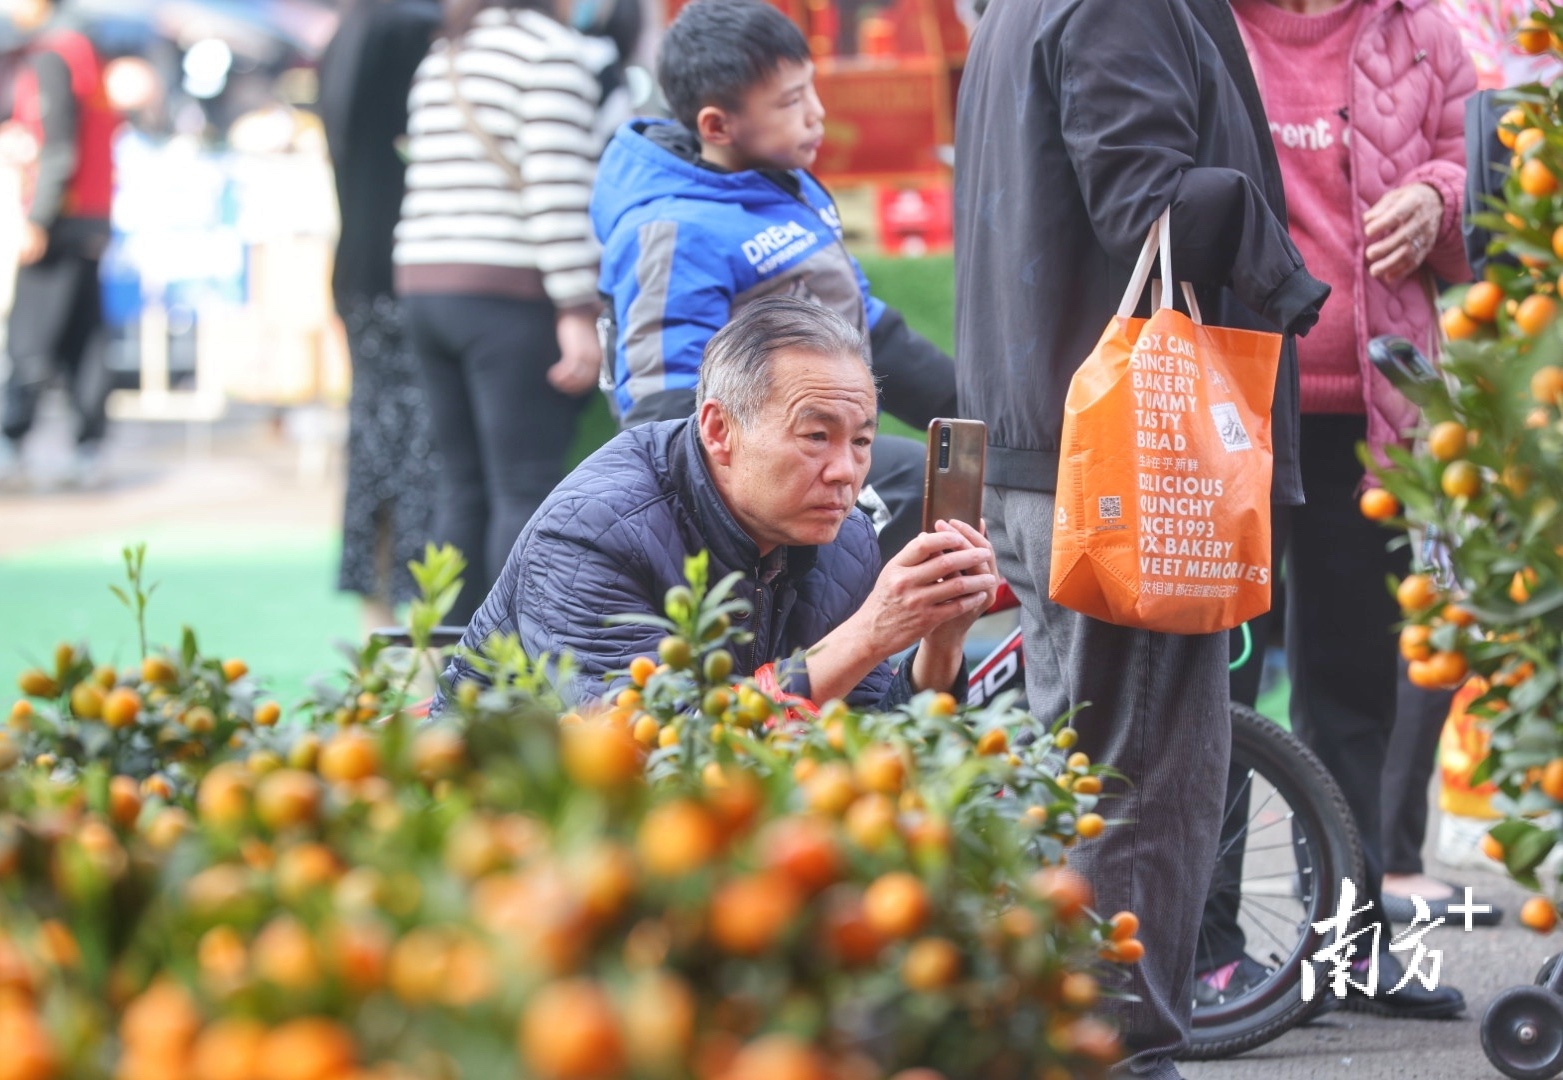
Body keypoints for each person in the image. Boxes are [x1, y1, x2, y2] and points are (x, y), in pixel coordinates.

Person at [953, 0, 1330, 1073]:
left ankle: (1072, 1039)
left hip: (1042, 456)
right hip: (1114, 468)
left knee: (1078, 785)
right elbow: (1149, 204)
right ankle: (1120, 1053)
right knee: (1141, 793)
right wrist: (1281, 266)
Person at [1201, 0, 1476, 1017]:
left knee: (1353, 689)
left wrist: (1442, 198)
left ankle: (1351, 947)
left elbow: (1482, 188)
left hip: (1376, 418)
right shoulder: (1200, 19)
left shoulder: (1420, 30)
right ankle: (1212, 947)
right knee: (1216, 681)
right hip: (1229, 413)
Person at [441, 297, 996, 706]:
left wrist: (941, 641)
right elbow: (656, 747)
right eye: (815, 436)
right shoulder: (594, 533)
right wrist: (867, 635)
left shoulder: (845, 538)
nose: (845, 473)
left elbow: (874, 743)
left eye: (861, 441)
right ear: (719, 429)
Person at [589, 0, 957, 563]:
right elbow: (663, 415)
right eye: (790, 101)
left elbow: (866, 327)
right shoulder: (673, 231)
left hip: (824, 442)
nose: (816, 112)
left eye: (810, 88)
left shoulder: (787, 186)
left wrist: (974, 407)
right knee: (923, 486)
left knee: (963, 465)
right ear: (717, 125)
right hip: (757, 490)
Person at [394, 0, 619, 622]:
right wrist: (577, 308)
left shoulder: (446, 54)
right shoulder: (549, 53)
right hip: (507, 294)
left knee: (462, 486)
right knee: (522, 487)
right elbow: (556, 192)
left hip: (425, 287)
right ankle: (512, 665)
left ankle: (443, 664)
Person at [318, 0, 441, 621]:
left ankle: (377, 606)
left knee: (373, 439)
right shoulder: (412, 30)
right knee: (419, 448)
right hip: (408, 267)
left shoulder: (350, 30)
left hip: (360, 265)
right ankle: (411, 609)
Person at [0, 0, 116, 489]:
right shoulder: (85, 49)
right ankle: (88, 444)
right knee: (83, 337)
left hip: (61, 217)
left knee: (31, 334)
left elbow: (58, 145)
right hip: (90, 215)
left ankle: (10, 439)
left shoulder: (55, 54)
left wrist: (39, 216)